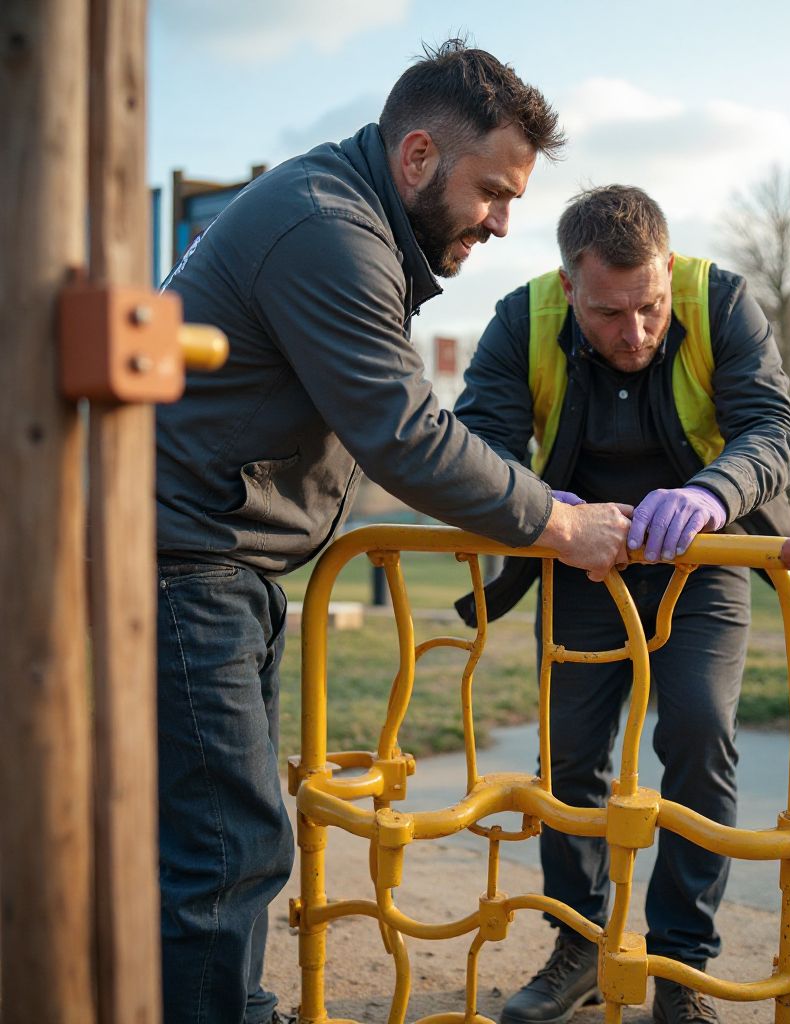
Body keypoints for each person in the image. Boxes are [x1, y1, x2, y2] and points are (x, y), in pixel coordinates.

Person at [155, 42, 631, 1024]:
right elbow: (405, 436)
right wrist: (560, 522)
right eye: (491, 190)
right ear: (416, 156)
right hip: (183, 557)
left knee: (214, 831)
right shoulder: (327, 231)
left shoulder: (337, 210)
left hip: (210, 553)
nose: (504, 222)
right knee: (226, 839)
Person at [453, 185, 790, 1024]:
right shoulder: (521, 317)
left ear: (668, 271)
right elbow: (479, 442)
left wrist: (715, 493)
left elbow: (774, 428)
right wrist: (543, 504)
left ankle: (681, 969)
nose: (636, 332)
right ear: (570, 287)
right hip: (580, 566)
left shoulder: (721, 302)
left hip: (702, 558)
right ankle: (578, 941)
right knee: (569, 756)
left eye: (648, 306)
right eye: (610, 313)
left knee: (697, 733)